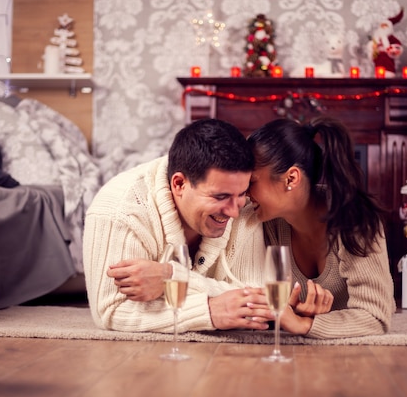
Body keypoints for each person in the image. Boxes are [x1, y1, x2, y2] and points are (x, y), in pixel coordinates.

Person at [83, 118, 272, 333]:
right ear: (179, 184)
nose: (234, 211)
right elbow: (113, 310)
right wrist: (209, 311)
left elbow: (259, 299)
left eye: (241, 194)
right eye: (220, 197)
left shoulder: (244, 204)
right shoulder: (120, 208)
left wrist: (171, 277)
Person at [246, 116, 396, 339]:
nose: (244, 193)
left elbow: (375, 316)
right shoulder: (266, 222)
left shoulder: (356, 220)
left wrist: (305, 324)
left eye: (251, 182)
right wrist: (294, 312)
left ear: (291, 178)